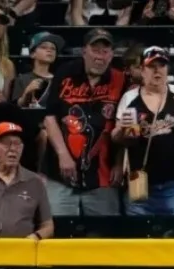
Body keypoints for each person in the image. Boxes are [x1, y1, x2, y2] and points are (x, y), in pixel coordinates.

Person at [113, 46, 174, 215]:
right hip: (141, 184)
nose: (157, 71)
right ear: (142, 70)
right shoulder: (130, 98)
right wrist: (122, 130)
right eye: (151, 66)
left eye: (162, 65)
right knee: (140, 238)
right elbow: (120, 139)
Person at [43, 28, 126, 216]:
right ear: (84, 51)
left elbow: (124, 125)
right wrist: (63, 154)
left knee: (104, 238)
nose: (100, 57)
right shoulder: (65, 73)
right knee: (58, 233)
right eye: (95, 50)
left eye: (105, 52)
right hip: (61, 173)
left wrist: (120, 163)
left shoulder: (120, 79)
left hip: (103, 175)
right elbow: (50, 117)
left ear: (112, 55)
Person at [0, 121, 53, 239]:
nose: (13, 149)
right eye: (7, 144)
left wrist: (35, 237)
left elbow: (48, 225)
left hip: (21, 252)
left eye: (17, 144)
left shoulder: (35, 181)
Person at [11, 32, 63, 109]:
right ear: (32, 54)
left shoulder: (60, 80)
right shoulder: (22, 79)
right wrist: (27, 93)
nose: (49, 50)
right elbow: (16, 106)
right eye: (44, 47)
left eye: (53, 48)